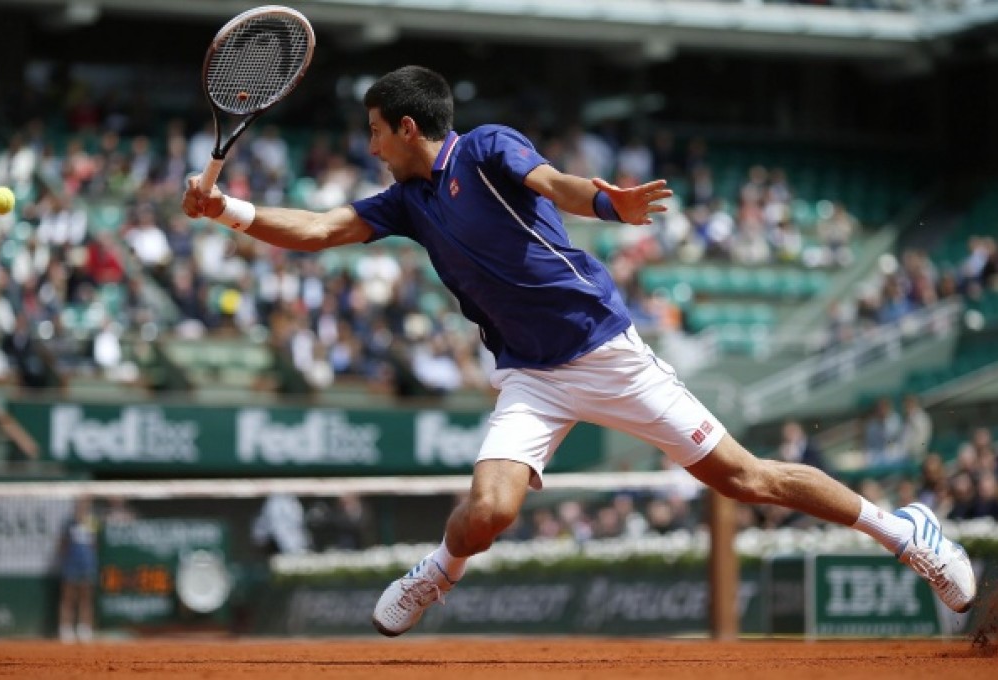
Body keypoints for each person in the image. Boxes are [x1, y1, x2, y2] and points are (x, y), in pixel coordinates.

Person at [182, 65, 977, 637]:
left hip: (607, 351)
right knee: (489, 511)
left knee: (747, 478)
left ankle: (905, 531)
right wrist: (228, 210)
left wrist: (606, 201)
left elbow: (554, 183)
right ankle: (438, 574)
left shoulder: (488, 148)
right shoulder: (404, 202)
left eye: (374, 132)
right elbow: (320, 231)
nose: (371, 145)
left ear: (407, 128)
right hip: (530, 376)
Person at [57, 496, 98, 643]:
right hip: (71, 564)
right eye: (79, 505)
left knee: (86, 597)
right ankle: (65, 628)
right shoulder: (68, 523)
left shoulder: (92, 522)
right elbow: (62, 544)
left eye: (85, 505)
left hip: (87, 565)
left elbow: (95, 544)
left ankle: (85, 628)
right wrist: (64, 561)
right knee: (68, 597)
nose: (82, 508)